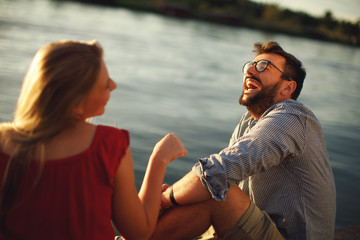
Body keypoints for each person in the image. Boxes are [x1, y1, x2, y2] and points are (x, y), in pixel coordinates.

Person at [0, 40, 187, 240]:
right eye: (106, 85)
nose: (114, 86)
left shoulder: (3, 139)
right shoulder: (107, 146)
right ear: (76, 104)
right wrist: (159, 160)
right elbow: (138, 233)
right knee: (209, 204)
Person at [150, 41, 336, 240]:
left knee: (218, 193)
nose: (249, 69)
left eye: (263, 66)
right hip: (261, 228)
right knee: (203, 192)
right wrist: (177, 197)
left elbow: (217, 173)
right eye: (250, 64)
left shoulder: (292, 116)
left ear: (287, 87)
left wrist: (162, 200)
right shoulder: (249, 122)